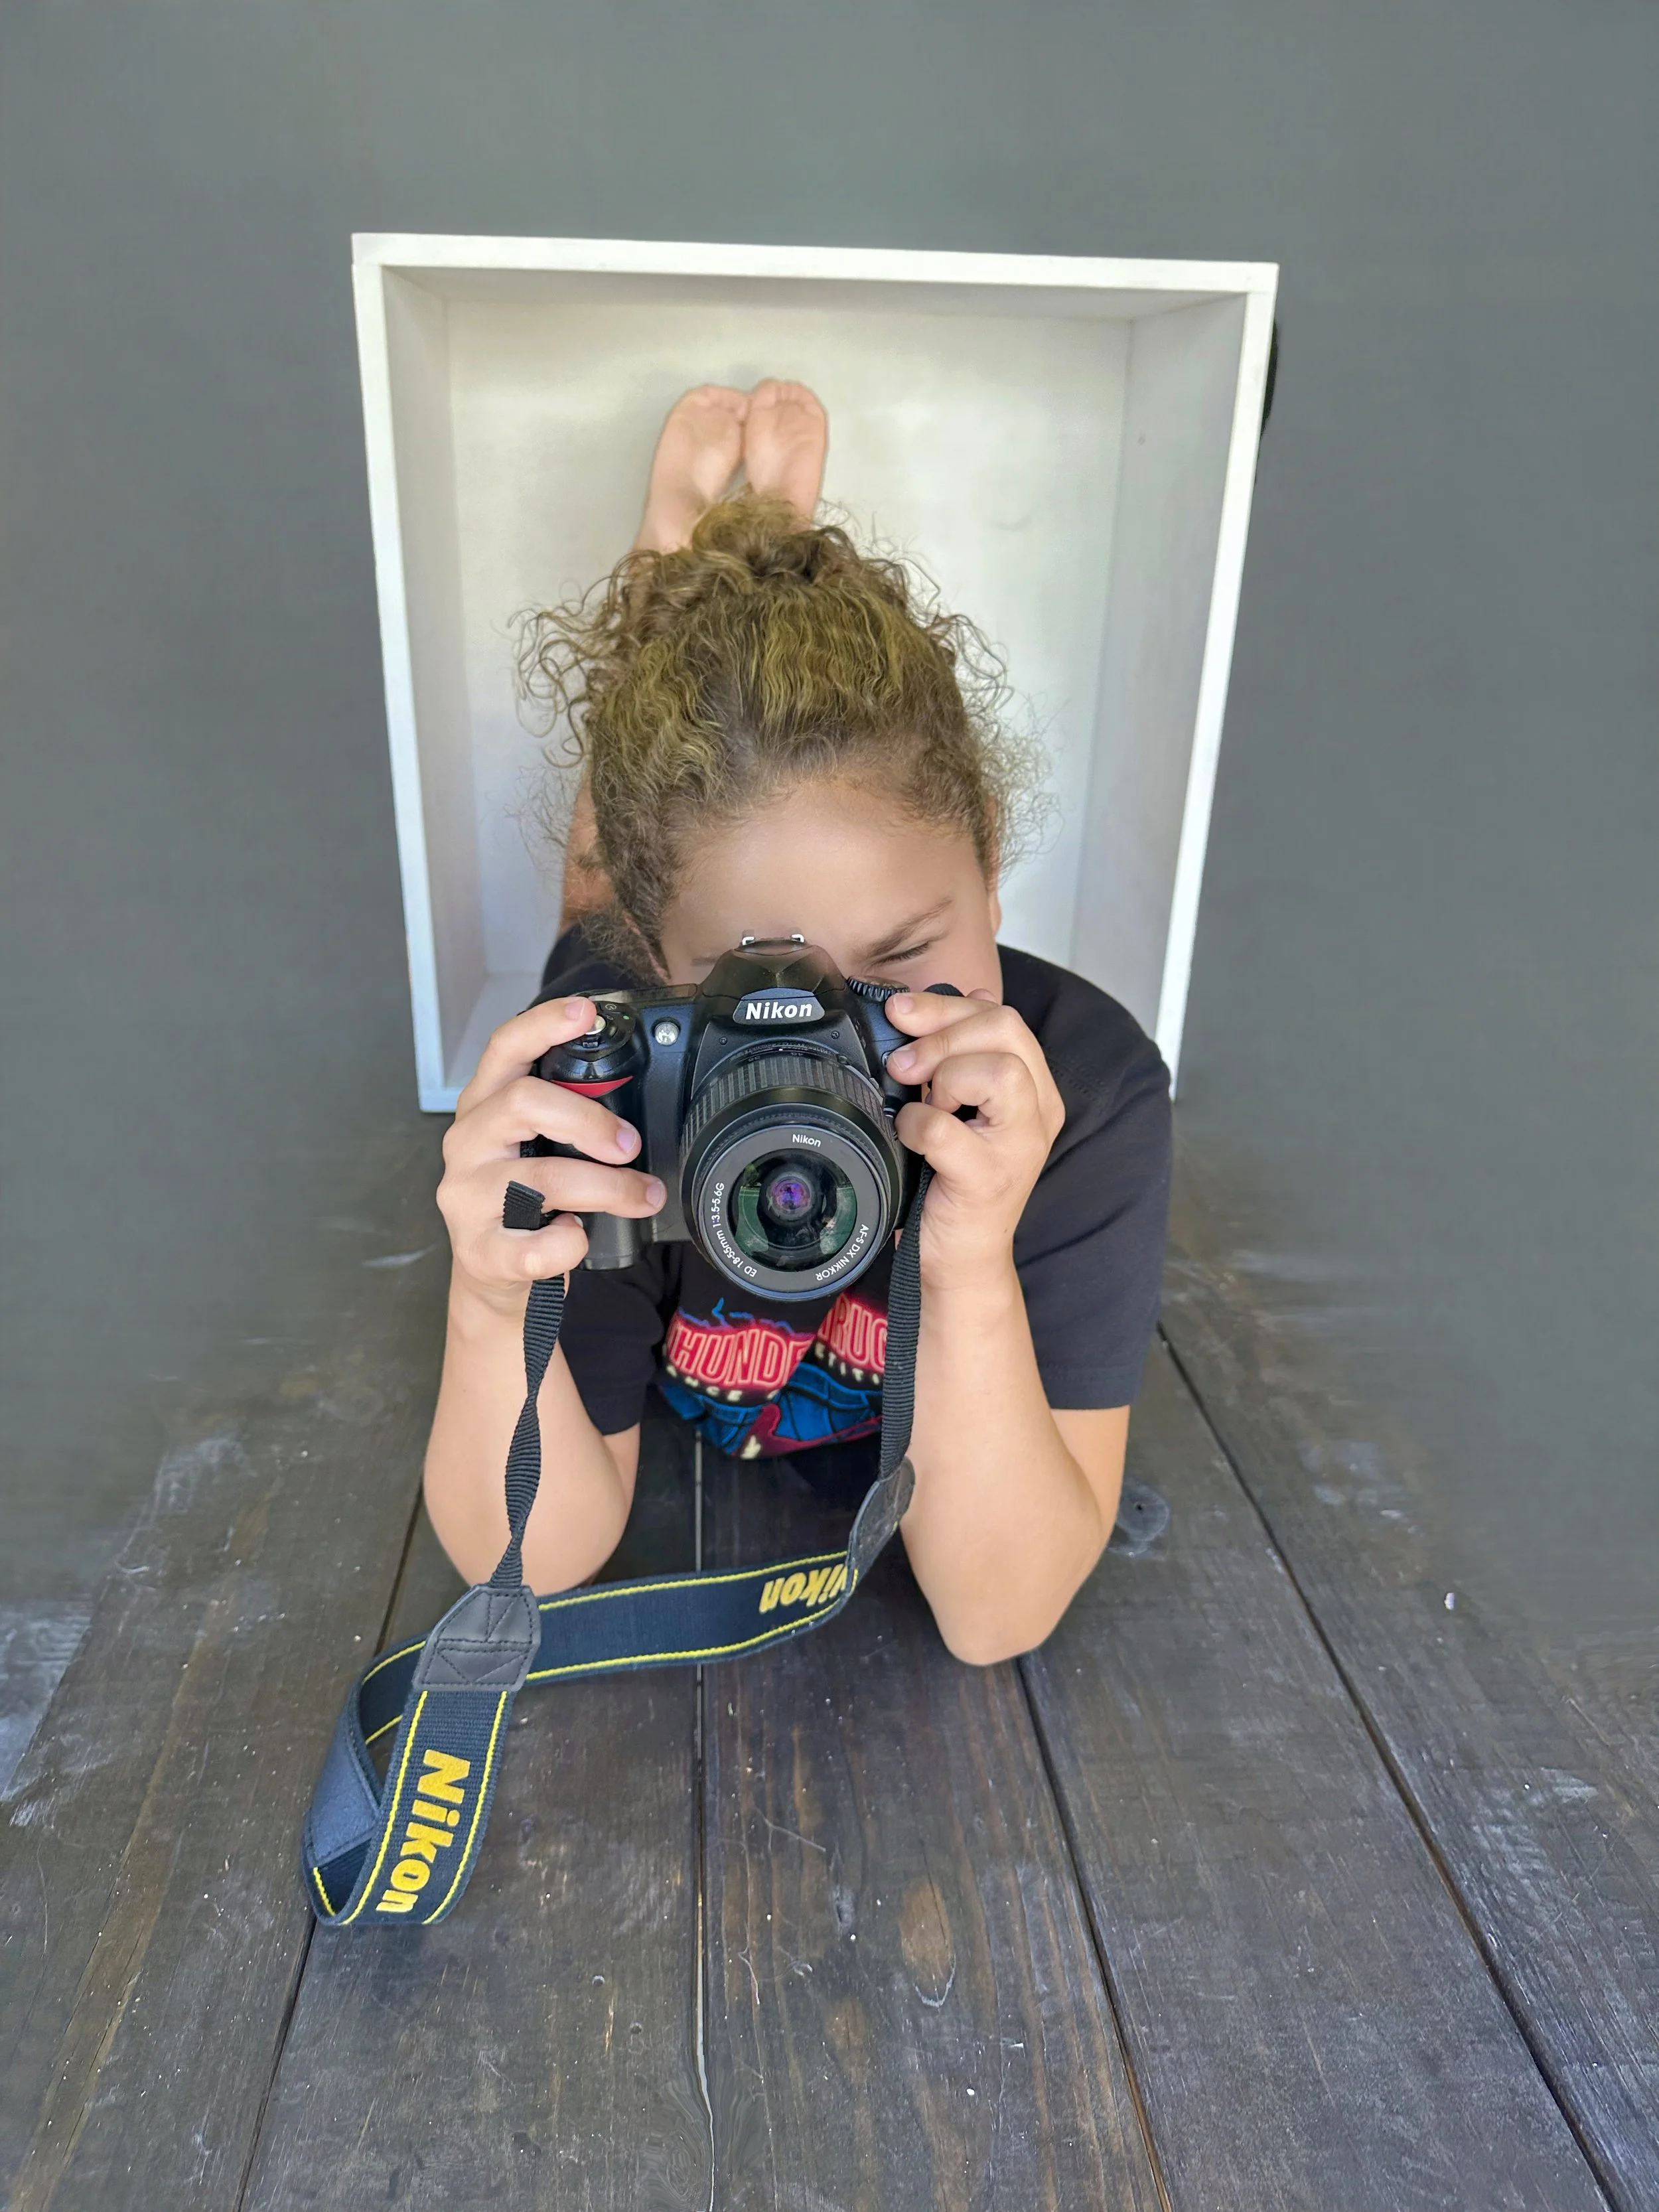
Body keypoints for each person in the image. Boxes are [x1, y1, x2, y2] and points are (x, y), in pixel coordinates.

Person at [423, 381, 1171, 1667]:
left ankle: (682, 566)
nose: (827, 1030)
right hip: (633, 929)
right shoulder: (606, 1058)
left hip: (684, 907)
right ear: (657, 975)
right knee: (603, 881)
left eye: (902, 957)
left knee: (684, 828)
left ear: (991, 864)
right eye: (744, 988)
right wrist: (488, 1306)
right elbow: (542, 1559)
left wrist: (969, 1265)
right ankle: (672, 567)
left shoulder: (1086, 1087)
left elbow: (997, 1616)